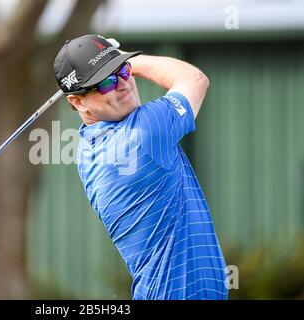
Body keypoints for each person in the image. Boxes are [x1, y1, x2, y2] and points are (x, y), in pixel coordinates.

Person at [53, 34, 228, 300]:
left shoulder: (88, 147)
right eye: (106, 82)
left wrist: (112, 62)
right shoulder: (143, 134)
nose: (123, 83)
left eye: (124, 70)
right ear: (77, 102)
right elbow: (194, 79)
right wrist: (129, 58)